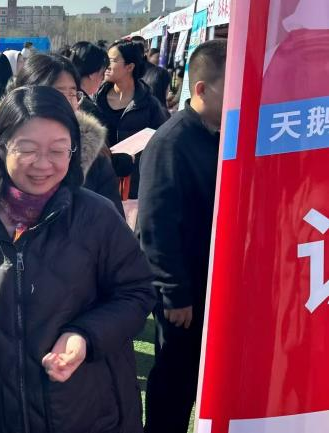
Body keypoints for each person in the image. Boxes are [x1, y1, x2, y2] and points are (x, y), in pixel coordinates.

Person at [0, 85, 156, 433]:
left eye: (58, 150)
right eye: (27, 149)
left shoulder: (97, 217)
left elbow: (137, 292)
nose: (43, 164)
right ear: (0, 147)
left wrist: (84, 336)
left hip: (82, 409)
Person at [137, 39, 227, 433]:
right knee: (175, 380)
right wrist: (174, 294)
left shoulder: (218, 133)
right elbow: (155, 226)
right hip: (184, 292)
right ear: (202, 89)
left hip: (212, 284)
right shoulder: (171, 142)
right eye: (232, 88)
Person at [0, 53, 124, 216]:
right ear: (26, 96)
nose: (69, 103)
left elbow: (111, 221)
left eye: (73, 94)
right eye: (58, 93)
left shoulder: (93, 152)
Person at [95, 40, 168, 198]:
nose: (106, 65)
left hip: (134, 185)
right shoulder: (95, 100)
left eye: (112, 60)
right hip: (100, 182)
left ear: (130, 67)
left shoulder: (149, 105)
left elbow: (162, 144)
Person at [68, 41, 109, 124]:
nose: (103, 78)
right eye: (102, 73)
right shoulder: (89, 110)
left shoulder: (60, 95)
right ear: (92, 74)